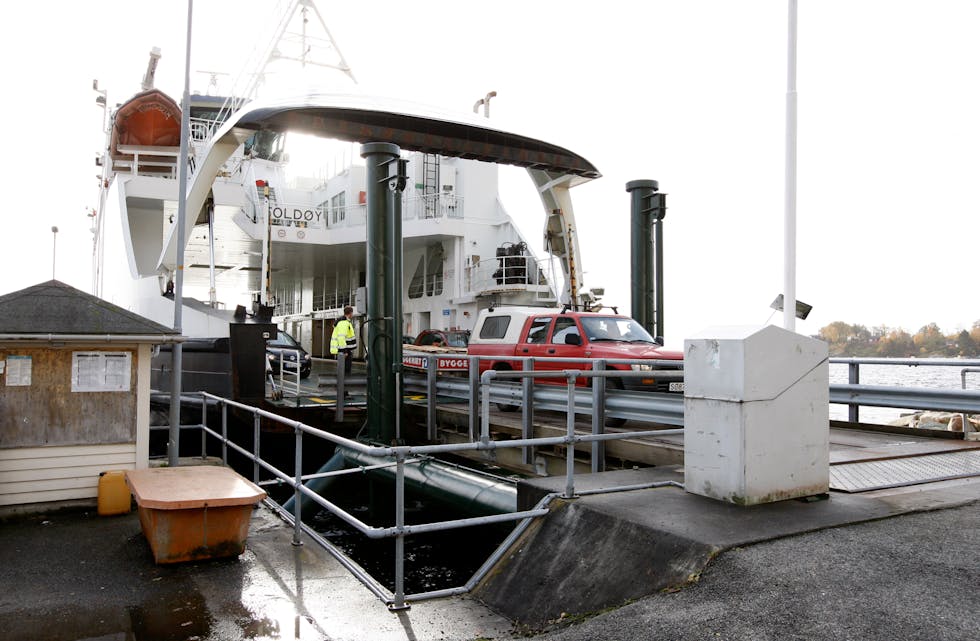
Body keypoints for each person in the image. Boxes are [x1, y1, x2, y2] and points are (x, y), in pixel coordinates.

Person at [330, 306, 357, 377]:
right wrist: (344, 351)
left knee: (344, 369)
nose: (352, 314)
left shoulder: (345, 322)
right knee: (346, 370)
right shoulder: (344, 323)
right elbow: (341, 338)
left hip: (345, 350)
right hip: (344, 351)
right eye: (352, 313)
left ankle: (344, 384)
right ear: (350, 313)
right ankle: (344, 385)